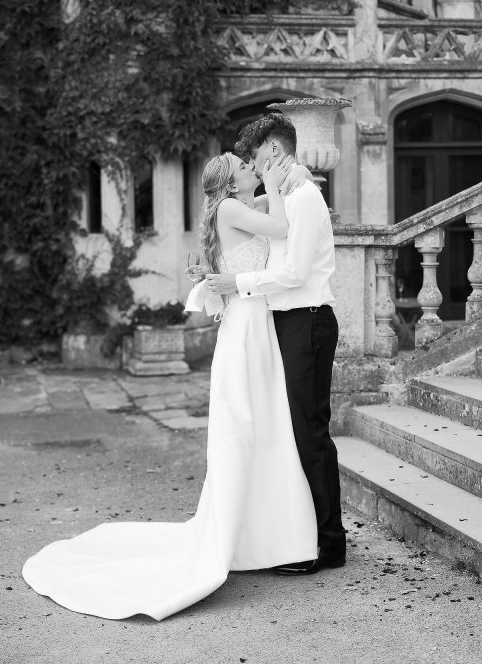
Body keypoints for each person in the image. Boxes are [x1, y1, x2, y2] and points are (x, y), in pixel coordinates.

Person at [22, 151, 318, 621]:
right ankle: (256, 538)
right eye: (245, 167)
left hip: (253, 319)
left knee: (265, 426)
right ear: (229, 181)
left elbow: (271, 212)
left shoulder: (240, 206)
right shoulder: (230, 208)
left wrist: (288, 180)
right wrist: (280, 190)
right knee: (250, 423)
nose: (252, 171)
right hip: (246, 325)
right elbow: (282, 230)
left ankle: (263, 536)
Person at [206, 112, 346, 575]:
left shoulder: (304, 198)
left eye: (254, 154)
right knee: (292, 432)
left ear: (274, 152)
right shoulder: (282, 195)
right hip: (281, 324)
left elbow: (294, 273)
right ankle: (301, 533)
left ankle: (330, 544)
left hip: (308, 321)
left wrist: (237, 282)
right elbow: (250, 215)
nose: (249, 161)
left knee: (311, 433)